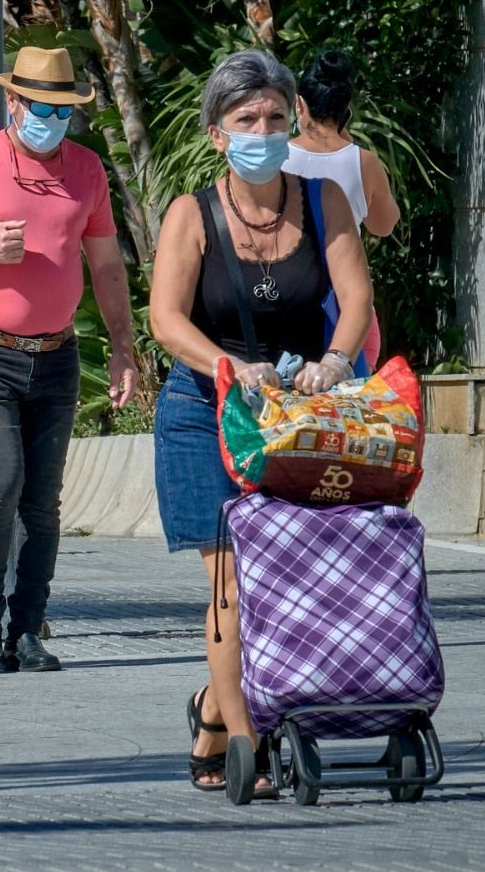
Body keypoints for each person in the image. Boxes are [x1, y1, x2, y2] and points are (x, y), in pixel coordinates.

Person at [147, 49, 373, 792]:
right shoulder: (193, 214)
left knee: (293, 575)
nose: (264, 130)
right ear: (218, 133)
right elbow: (166, 319)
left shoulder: (321, 202)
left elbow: (356, 298)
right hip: (204, 409)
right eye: (247, 119)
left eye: (277, 117)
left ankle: (215, 708)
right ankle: (245, 736)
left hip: (296, 412)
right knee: (232, 581)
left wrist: (336, 362)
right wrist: (225, 364)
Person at [0, 46, 140, 673]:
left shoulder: (87, 170)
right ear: (13, 101)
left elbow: (108, 267)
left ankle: (26, 627)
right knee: (1, 477)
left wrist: (123, 349)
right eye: (40, 106)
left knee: (42, 498)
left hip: (57, 355)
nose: (52, 119)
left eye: (63, 109)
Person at [284, 48, 400, 368]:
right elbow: (384, 225)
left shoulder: (276, 159)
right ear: (347, 108)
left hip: (291, 308)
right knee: (349, 415)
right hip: (353, 315)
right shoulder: (364, 162)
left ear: (299, 103)